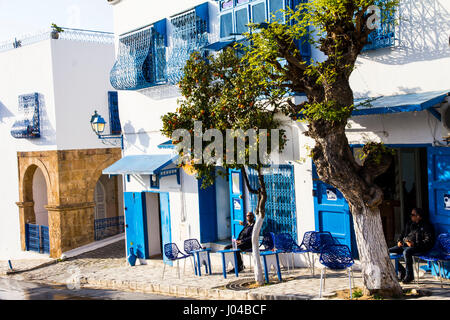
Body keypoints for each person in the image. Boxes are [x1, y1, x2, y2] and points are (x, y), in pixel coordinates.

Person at [389, 208, 435, 284]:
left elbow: (428, 241)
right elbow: (402, 234)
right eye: (411, 214)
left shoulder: (427, 226)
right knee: (388, 252)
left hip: (420, 247)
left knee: (406, 252)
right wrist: (399, 241)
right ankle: (402, 271)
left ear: (419, 216)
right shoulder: (410, 224)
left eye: (413, 215)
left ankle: (409, 276)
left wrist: (414, 244)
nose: (411, 216)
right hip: (406, 245)